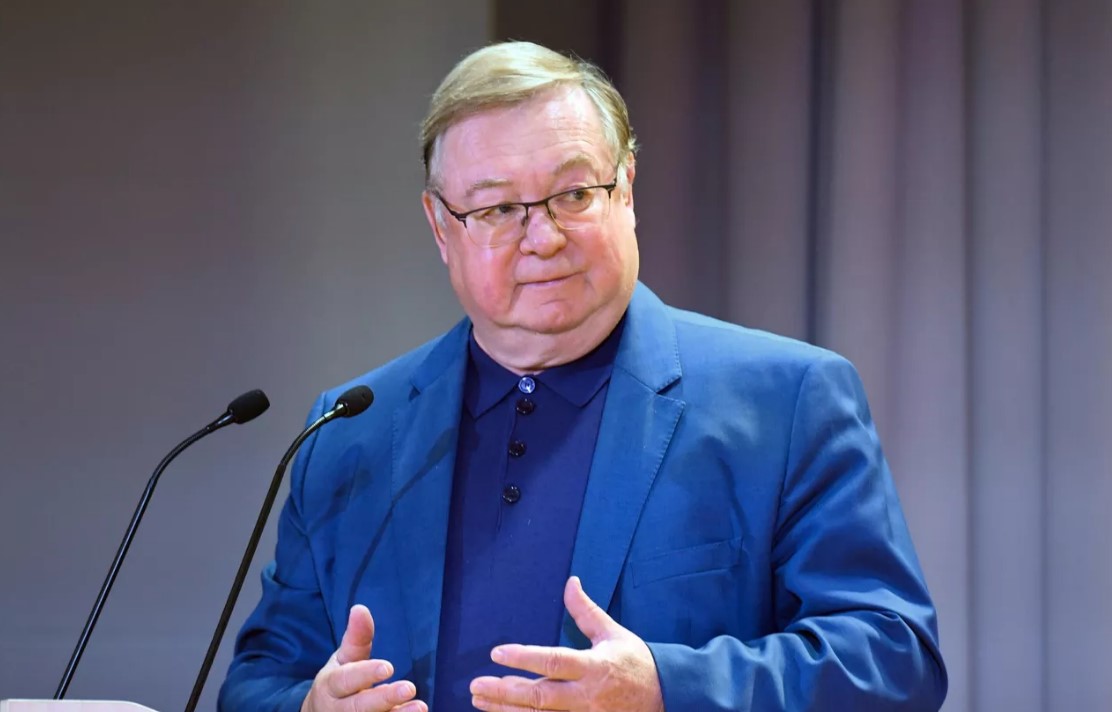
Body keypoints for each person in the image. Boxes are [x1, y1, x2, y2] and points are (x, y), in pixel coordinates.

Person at [220, 41, 947, 712]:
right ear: (441, 228)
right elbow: (256, 682)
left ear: (625, 189)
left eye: (573, 195)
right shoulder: (348, 434)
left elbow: (893, 657)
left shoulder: (786, 402)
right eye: (498, 208)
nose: (543, 238)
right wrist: (311, 708)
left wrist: (667, 689)